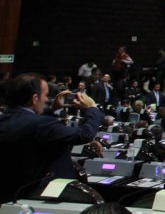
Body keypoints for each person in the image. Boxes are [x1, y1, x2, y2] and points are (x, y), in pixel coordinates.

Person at [0, 73, 104, 202]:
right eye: (45, 95)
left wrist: (52, 110)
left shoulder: (5, 120)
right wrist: (92, 109)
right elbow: (84, 134)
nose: (47, 100)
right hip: (42, 195)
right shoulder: (42, 125)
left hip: (8, 195)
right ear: (34, 98)